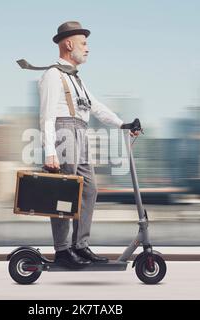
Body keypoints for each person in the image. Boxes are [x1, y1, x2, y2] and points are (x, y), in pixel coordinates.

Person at [38, 21, 139, 269]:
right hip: (64, 132)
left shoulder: (77, 79)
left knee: (90, 189)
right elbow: (47, 116)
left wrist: (122, 124)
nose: (88, 48)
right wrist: (50, 151)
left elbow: (96, 107)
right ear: (69, 44)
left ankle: (79, 246)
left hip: (80, 133)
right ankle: (63, 251)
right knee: (64, 195)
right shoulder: (53, 74)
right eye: (84, 43)